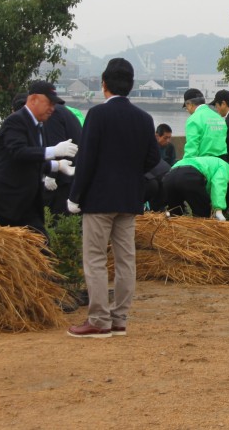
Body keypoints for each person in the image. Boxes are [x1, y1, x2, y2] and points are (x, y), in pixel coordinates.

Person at [66, 58, 161, 339]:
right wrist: (130, 173)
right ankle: (119, 319)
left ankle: (98, 320)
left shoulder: (96, 115)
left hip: (98, 199)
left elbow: (86, 160)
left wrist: (75, 196)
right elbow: (153, 159)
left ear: (103, 83)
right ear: (131, 86)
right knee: (125, 260)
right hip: (129, 199)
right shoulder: (144, 119)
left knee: (95, 258)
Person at [0, 81, 76, 240]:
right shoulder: (16, 121)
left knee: (42, 247)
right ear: (33, 100)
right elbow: (18, 152)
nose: (52, 108)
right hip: (8, 201)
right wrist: (54, 152)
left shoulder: (39, 125)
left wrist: (57, 166)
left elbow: (31, 159)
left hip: (28, 203)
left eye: (54, 104)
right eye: (49, 103)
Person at [41, 99, 83, 215]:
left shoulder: (53, 114)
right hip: (72, 175)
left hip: (61, 180)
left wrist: (51, 175)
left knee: (55, 219)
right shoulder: (66, 112)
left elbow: (56, 146)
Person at [163, 155, 229, 220]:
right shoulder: (225, 167)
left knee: (175, 215)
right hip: (189, 176)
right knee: (203, 215)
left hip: (169, 178)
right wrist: (218, 209)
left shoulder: (204, 160)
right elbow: (218, 183)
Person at [181, 88, 227, 159]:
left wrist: (186, 165)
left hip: (204, 163)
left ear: (189, 104)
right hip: (222, 162)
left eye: (186, 107)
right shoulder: (218, 117)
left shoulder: (193, 119)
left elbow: (191, 148)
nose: (188, 110)